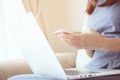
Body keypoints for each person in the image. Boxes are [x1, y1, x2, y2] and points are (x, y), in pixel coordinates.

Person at [8, 0, 120, 80]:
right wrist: (84, 42)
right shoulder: (93, 3)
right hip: (95, 69)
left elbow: (100, 43)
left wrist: (100, 43)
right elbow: (93, 53)